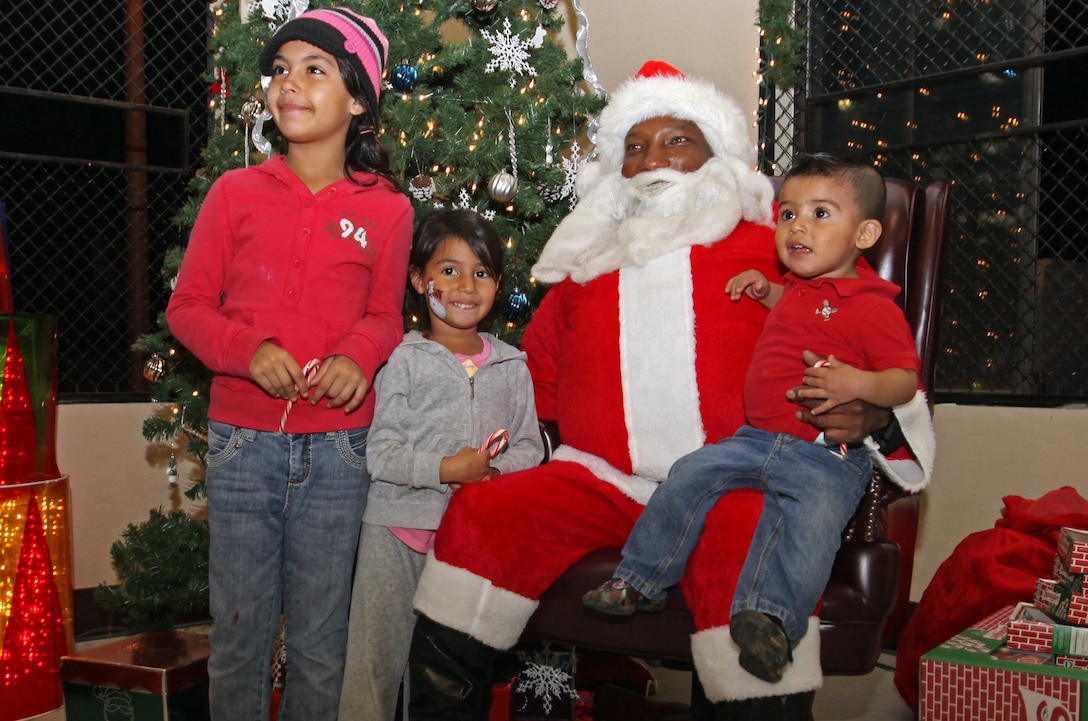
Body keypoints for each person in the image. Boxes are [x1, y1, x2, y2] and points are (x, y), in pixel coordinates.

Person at [407, 60, 935, 721]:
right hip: (600, 479)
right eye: (633, 146)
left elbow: (876, 353)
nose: (651, 159)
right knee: (486, 517)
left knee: (746, 542)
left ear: (721, 158)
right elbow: (531, 379)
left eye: (675, 140)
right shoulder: (586, 268)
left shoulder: (776, 254)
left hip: (736, 478)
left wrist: (875, 414)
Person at [582, 154, 925, 687]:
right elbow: (800, 312)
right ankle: (638, 580)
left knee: (807, 525)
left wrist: (859, 384)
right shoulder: (799, 289)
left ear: (865, 233)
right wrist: (770, 294)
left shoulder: (873, 307)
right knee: (688, 475)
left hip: (825, 454)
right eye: (788, 214)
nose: (797, 227)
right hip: (754, 437)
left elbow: (903, 379)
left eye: (820, 214)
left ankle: (769, 621)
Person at [165, 9, 413, 721]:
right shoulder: (233, 195)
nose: (289, 84)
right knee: (239, 636)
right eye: (278, 70)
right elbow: (188, 307)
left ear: (358, 98)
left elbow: (385, 315)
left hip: (340, 450)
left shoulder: (389, 211)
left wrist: (359, 356)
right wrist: (250, 352)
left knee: (319, 640)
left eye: (314, 69)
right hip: (243, 445)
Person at [337, 208, 544, 720]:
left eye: (482, 272)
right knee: (375, 661)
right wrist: (444, 469)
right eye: (448, 270)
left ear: (497, 283)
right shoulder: (402, 361)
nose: (465, 286)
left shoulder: (512, 365)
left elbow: (529, 447)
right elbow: (380, 453)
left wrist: (491, 476)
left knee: (444, 672)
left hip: (466, 540)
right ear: (418, 279)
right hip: (396, 530)